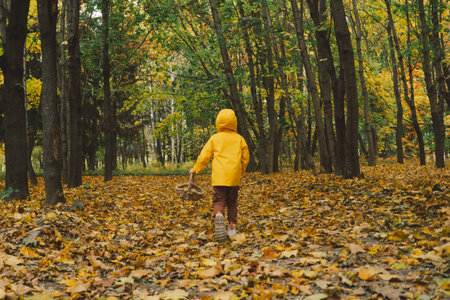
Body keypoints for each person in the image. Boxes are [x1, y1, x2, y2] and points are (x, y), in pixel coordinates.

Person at [190, 109, 250, 242]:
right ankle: (232, 228)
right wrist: (241, 171)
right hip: (234, 177)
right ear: (234, 122)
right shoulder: (239, 139)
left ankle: (218, 215)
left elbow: (204, 157)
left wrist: (195, 169)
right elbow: (245, 158)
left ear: (218, 122)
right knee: (232, 202)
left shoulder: (214, 139)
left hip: (219, 177)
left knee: (219, 201)